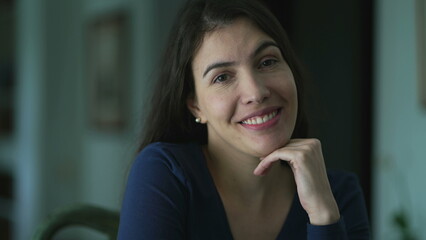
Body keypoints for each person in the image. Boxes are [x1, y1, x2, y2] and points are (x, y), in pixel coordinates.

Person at [118, 0, 370, 239]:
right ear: (196, 106)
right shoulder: (165, 173)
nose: (256, 92)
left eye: (267, 62)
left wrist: (323, 217)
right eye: (222, 77)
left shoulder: (338, 194)